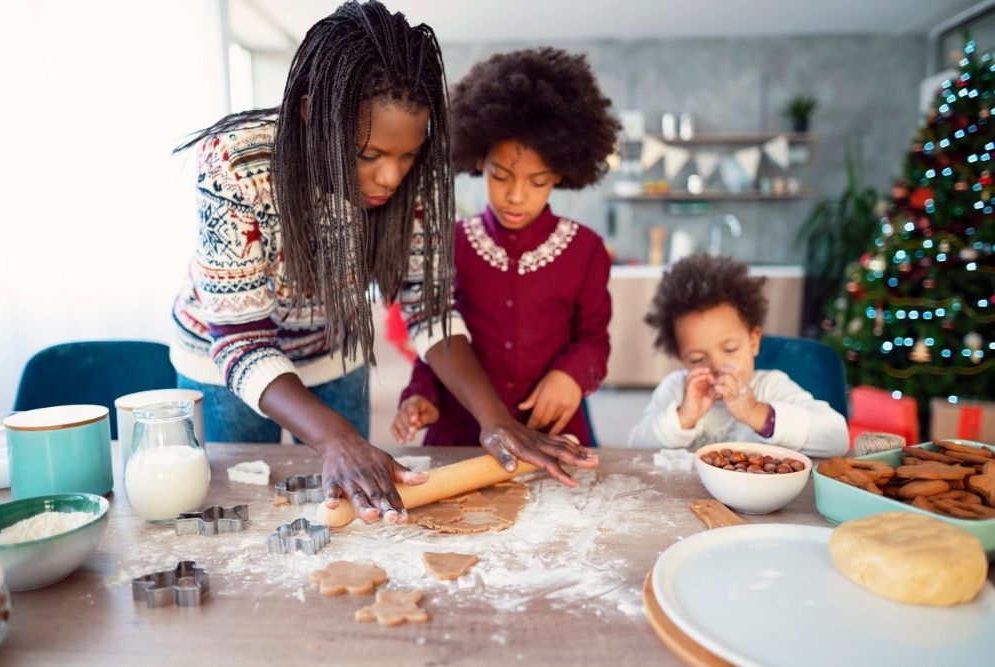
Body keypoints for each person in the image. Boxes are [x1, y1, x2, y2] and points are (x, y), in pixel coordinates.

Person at [171, 2, 596, 526]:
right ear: (311, 115)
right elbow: (240, 341)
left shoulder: (409, 180)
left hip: (334, 349)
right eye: (368, 155)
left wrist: (495, 420)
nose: (392, 178)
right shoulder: (235, 163)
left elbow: (428, 311)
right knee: (238, 512)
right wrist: (337, 438)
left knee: (350, 511)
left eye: (407, 156)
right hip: (226, 367)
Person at [391, 47, 618, 448]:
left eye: (537, 181)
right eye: (501, 176)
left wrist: (572, 376)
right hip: (464, 432)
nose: (516, 196)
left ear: (562, 174)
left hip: (551, 430)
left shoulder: (586, 249)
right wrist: (421, 393)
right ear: (478, 160)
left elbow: (594, 340)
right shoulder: (448, 243)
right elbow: (436, 332)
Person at [628, 255, 848, 456]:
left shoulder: (771, 387)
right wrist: (683, 418)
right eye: (697, 359)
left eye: (731, 349)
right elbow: (635, 448)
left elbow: (837, 438)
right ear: (680, 357)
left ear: (753, 341)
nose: (717, 365)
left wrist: (757, 414)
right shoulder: (675, 390)